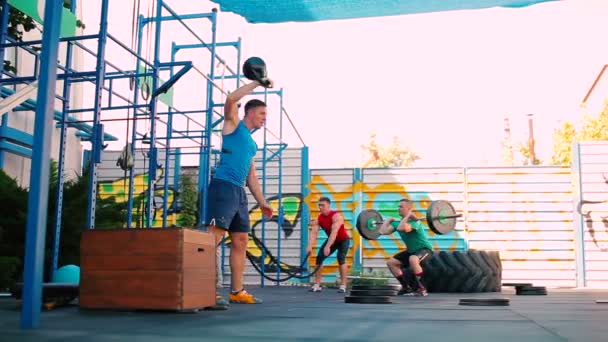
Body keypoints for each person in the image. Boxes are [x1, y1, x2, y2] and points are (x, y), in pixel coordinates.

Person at [206, 79, 274, 305]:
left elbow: (251, 176)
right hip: (223, 187)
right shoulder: (234, 125)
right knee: (212, 239)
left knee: (241, 240)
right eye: (262, 113)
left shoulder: (252, 144)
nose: (265, 118)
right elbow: (231, 99)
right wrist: (257, 82)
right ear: (251, 113)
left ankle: (237, 291)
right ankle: (204, 289)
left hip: (239, 192)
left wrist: (263, 202)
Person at [378, 198, 434, 297]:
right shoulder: (397, 223)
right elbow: (382, 232)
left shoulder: (414, 222)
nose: (398, 208)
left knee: (413, 259)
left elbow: (401, 228)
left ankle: (422, 288)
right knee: (391, 263)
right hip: (411, 251)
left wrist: (409, 215)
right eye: (398, 206)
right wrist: (388, 221)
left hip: (425, 249)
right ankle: (406, 287)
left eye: (401, 207)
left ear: (408, 209)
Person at [307, 197, 351, 293]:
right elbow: (314, 233)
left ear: (328, 205)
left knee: (341, 258)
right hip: (332, 240)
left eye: (323, 205)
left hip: (343, 240)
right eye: (319, 205)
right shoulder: (319, 218)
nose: (320, 207)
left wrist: (328, 246)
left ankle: (343, 285)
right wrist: (309, 246)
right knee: (319, 258)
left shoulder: (336, 216)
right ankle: (317, 284)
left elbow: (334, 232)